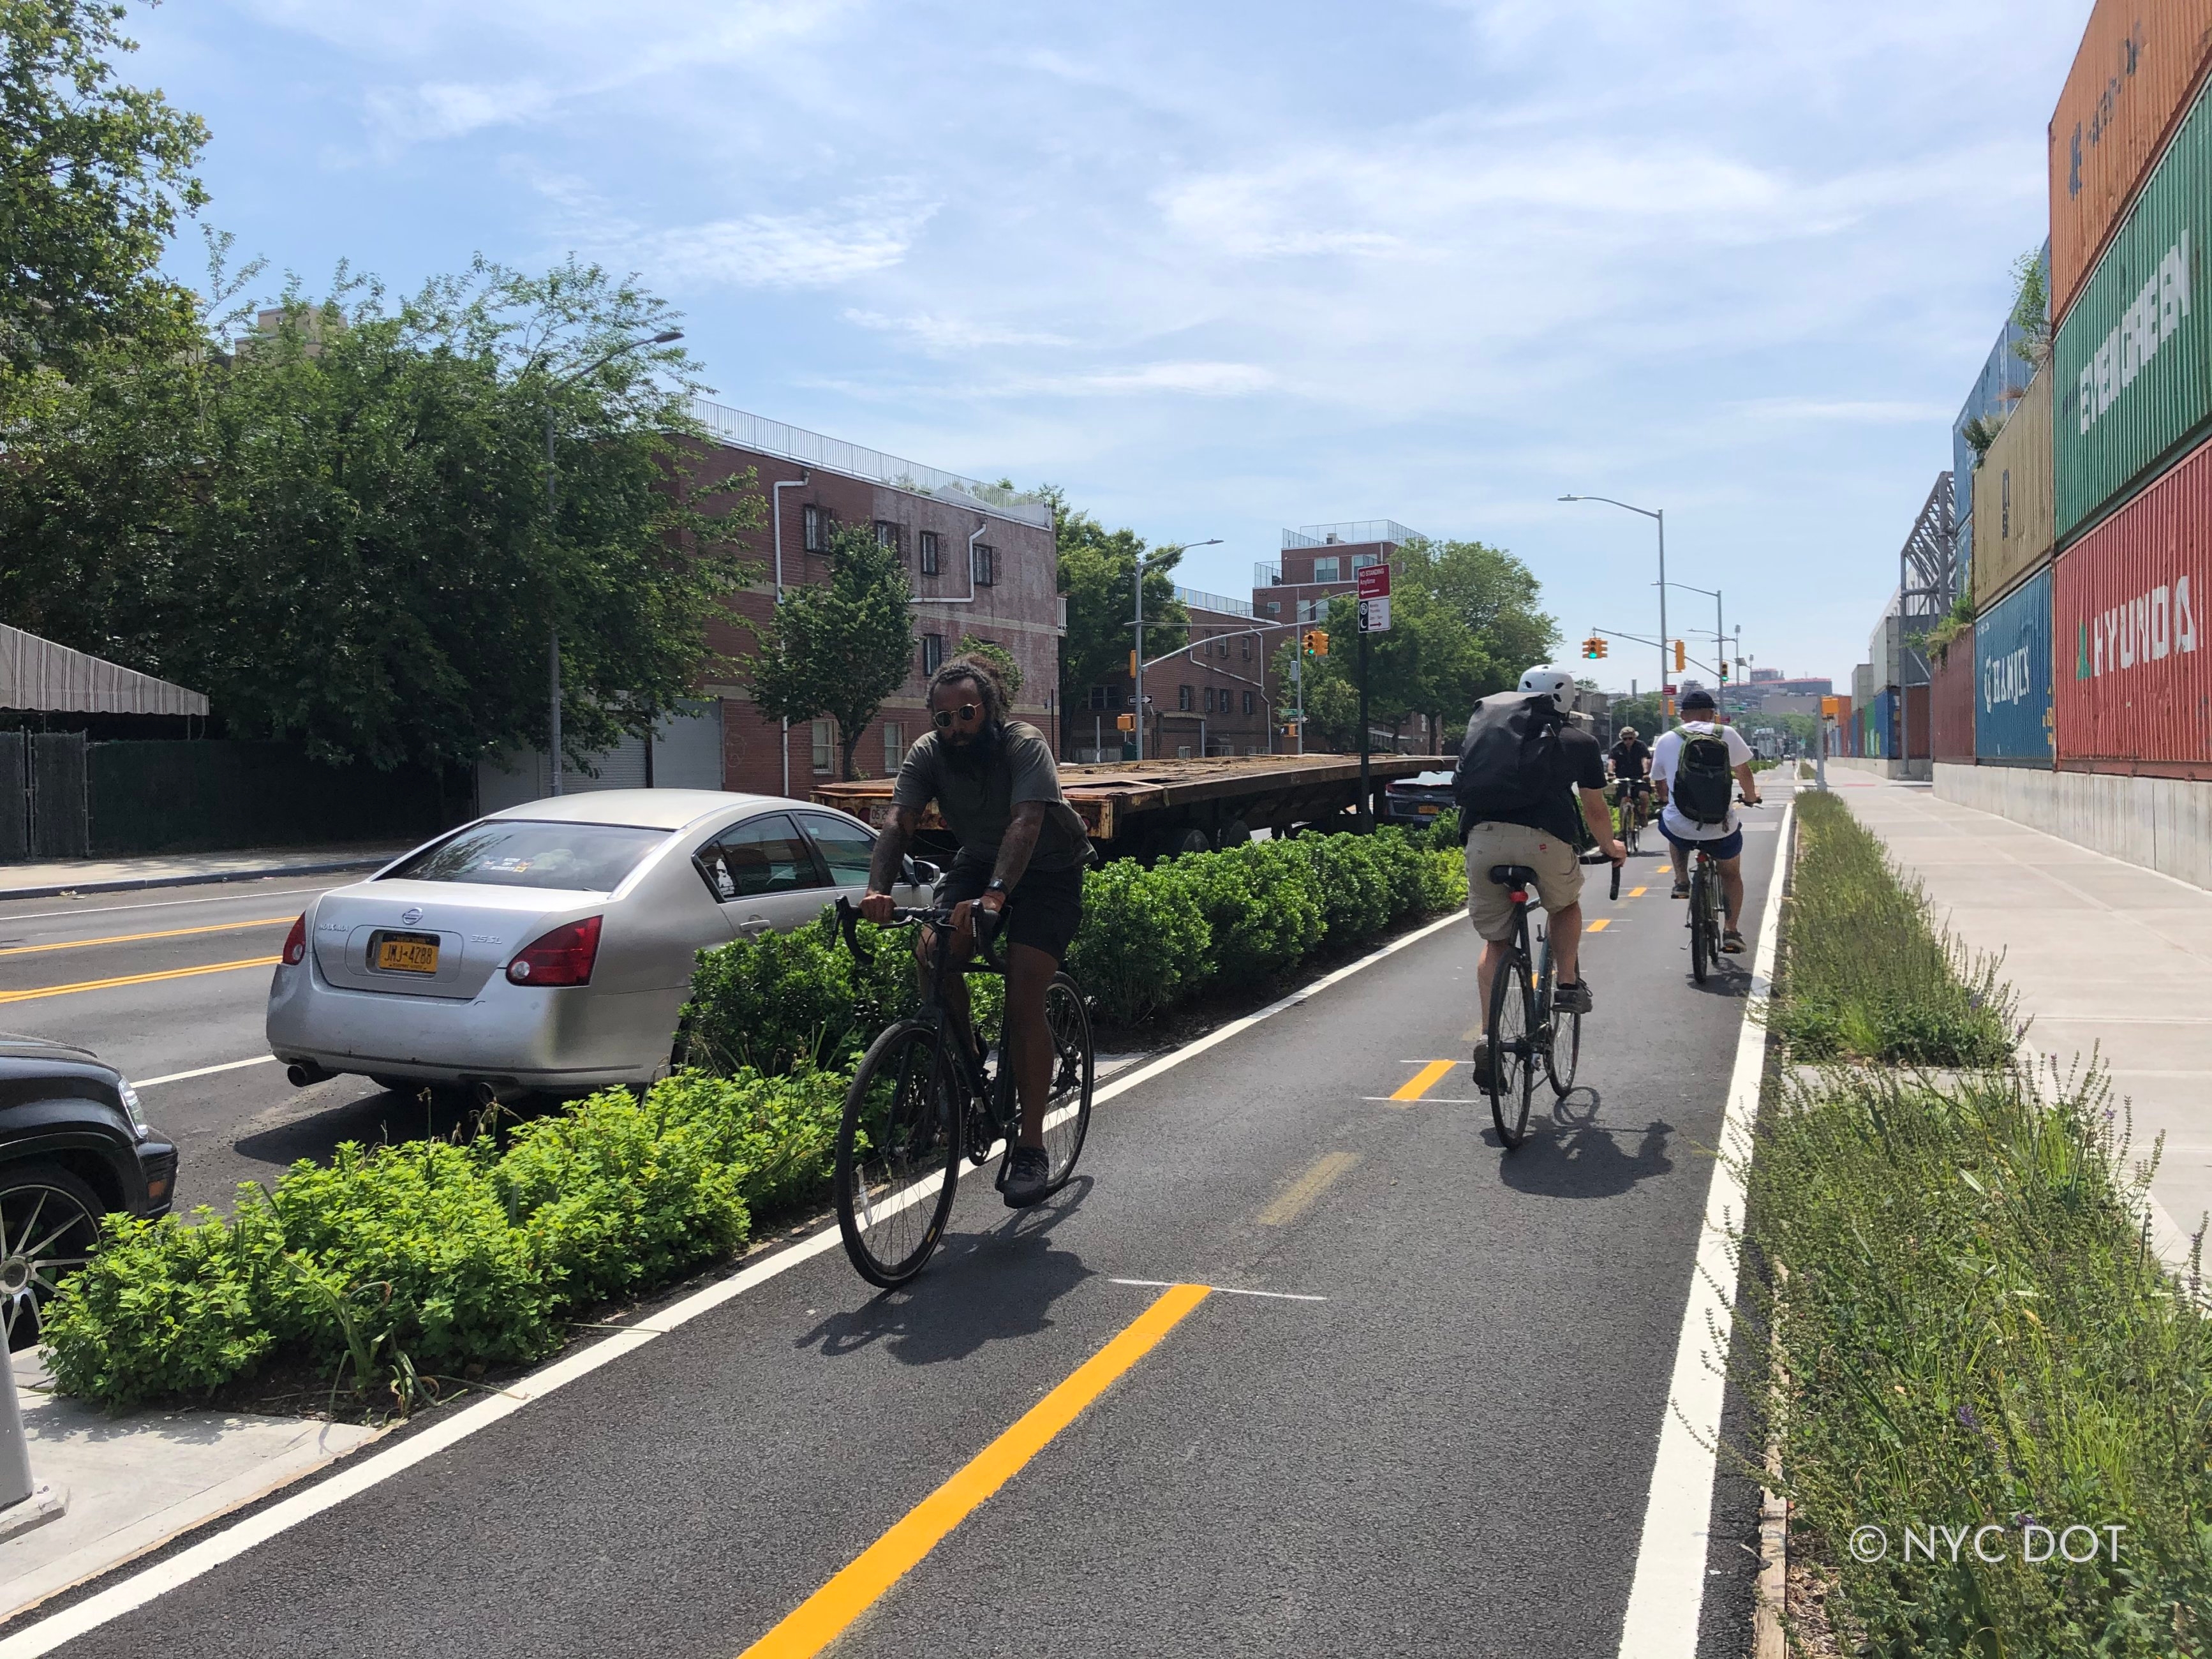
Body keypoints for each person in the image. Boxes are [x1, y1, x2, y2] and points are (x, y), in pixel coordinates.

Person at [861, 655, 1091, 1207]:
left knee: (1022, 995)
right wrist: (879, 890)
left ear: (988, 708)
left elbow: (1026, 822)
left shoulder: (1022, 743)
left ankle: (1031, 1148)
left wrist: (994, 896)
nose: (956, 727)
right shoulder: (928, 754)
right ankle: (964, 1058)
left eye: (966, 713)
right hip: (979, 860)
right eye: (944, 719)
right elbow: (899, 820)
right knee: (932, 952)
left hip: (1049, 869)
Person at [1453, 664, 1626, 1085]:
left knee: (1496, 941)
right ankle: (1566, 985)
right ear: (1567, 700)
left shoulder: (1487, 735)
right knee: (1564, 905)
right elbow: (1594, 809)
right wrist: (1611, 847)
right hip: (1546, 841)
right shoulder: (1578, 741)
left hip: (1482, 838)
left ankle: (1489, 1037)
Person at [1649, 688, 1763, 953]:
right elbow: (1744, 771)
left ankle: (1681, 881)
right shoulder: (1727, 734)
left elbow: (1660, 782)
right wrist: (1750, 797)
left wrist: (1667, 801)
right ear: (1713, 715)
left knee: (1671, 825)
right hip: (1721, 826)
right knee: (1731, 875)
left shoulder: (1667, 739)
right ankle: (1731, 930)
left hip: (1682, 824)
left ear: (1682, 715)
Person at [1608, 724, 1652, 836]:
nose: (1628, 741)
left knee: (1643, 795)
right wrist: (1611, 773)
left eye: (1630, 738)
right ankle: (1623, 829)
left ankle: (1643, 814)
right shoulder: (1617, 748)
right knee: (1623, 802)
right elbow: (1612, 762)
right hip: (1623, 778)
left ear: (1634, 738)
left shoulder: (1641, 746)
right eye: (1625, 739)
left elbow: (1644, 760)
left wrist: (1646, 773)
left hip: (1638, 778)